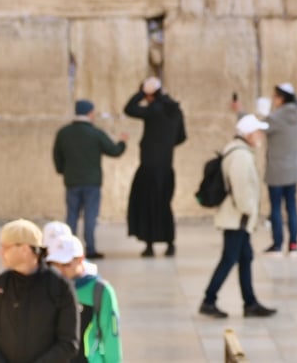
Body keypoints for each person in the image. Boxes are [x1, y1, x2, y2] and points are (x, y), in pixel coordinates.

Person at [198, 114, 278, 319]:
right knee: (229, 259)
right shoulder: (240, 155)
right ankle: (208, 300)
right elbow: (241, 189)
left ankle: (250, 303)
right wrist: (249, 211)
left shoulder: (238, 151)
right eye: (258, 131)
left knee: (245, 258)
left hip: (237, 218)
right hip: (237, 219)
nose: (260, 135)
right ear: (249, 134)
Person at [0, 218, 79, 362]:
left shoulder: (60, 287)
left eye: (5, 247)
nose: (0, 253)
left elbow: (68, 343)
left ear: (24, 249)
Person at [232, 83, 297, 257]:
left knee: (276, 209)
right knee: (292, 207)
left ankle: (278, 245)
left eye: (276, 97)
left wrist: (240, 111)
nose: (274, 100)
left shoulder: (276, 117)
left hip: (277, 171)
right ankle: (294, 245)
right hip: (293, 169)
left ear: (282, 98)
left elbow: (255, 127)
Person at [53, 99, 128, 259]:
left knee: (71, 216)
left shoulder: (64, 133)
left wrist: (63, 171)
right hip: (92, 183)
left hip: (72, 181)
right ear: (89, 113)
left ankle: (68, 249)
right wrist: (122, 142)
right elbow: (114, 151)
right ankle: (90, 249)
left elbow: (57, 156)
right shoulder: (95, 133)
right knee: (90, 217)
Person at [123, 77, 187, 257]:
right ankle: (169, 242)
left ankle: (150, 244)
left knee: (148, 204)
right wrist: (166, 145)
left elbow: (129, 109)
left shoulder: (154, 110)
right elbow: (181, 137)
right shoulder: (175, 110)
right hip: (166, 165)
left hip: (150, 165)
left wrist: (142, 93)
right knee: (164, 204)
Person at [47, 234, 123, 363]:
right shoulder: (47, 287)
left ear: (80, 259)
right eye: (55, 264)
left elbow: (111, 337)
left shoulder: (100, 291)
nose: (60, 270)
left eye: (65, 264)